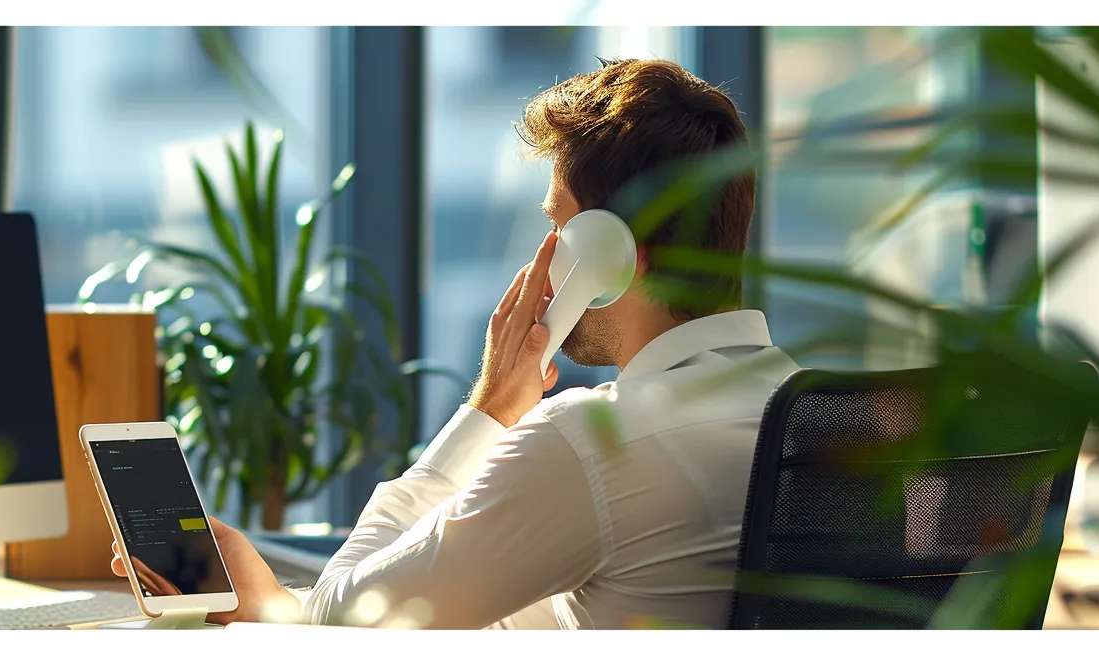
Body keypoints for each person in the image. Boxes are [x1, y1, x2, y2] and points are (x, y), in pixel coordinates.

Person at [111, 57, 801, 630]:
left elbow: (345, 625)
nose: (541, 260)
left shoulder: (595, 443)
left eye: (558, 227)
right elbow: (509, 616)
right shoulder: (828, 424)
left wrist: (491, 409)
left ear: (610, 255)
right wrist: (270, 604)